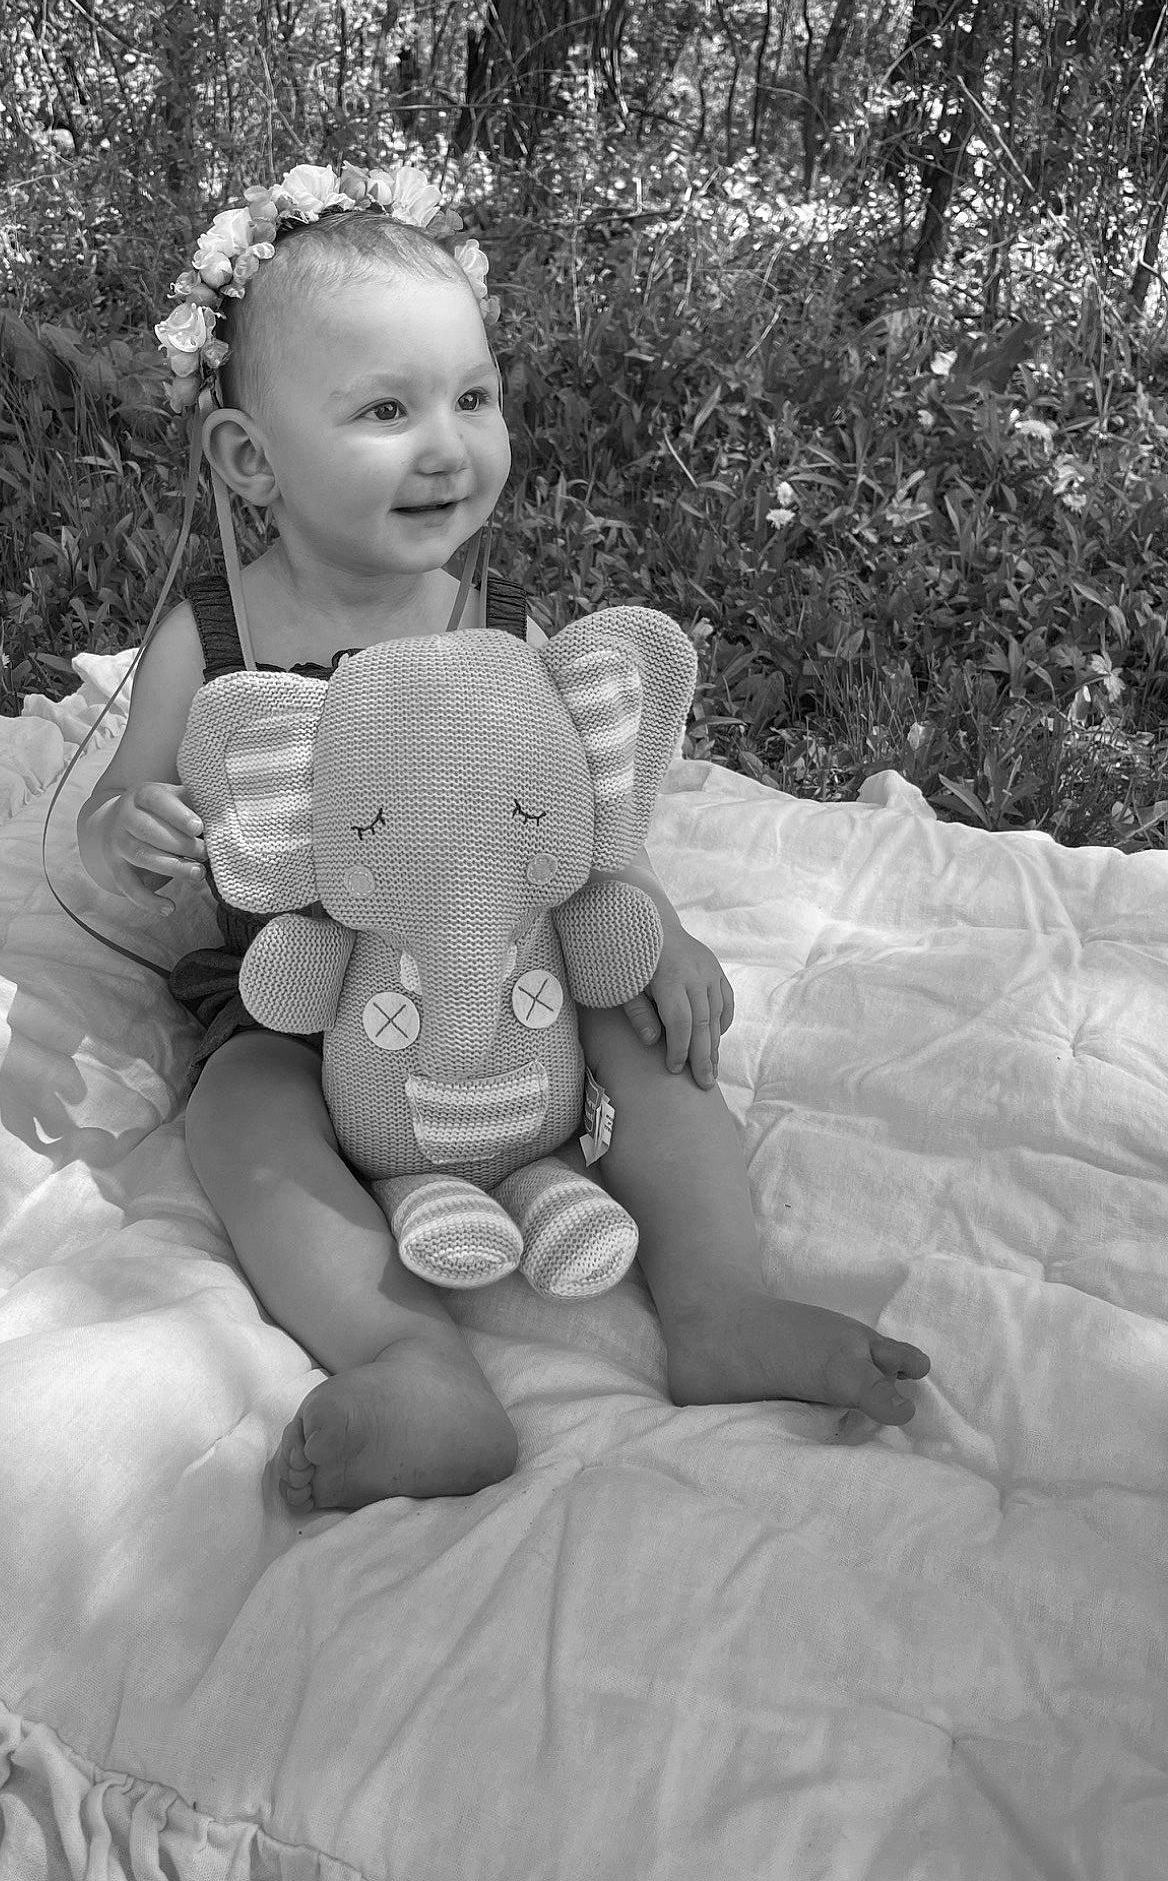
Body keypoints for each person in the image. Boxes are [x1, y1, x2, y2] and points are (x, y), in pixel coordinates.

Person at [78, 163, 930, 1514]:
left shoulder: (491, 621)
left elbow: (578, 818)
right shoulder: (213, 634)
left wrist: (656, 924)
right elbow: (109, 812)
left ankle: (716, 1304)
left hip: (514, 986)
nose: (448, 443)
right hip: (303, 1000)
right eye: (385, 409)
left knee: (648, 1034)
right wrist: (144, 825)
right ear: (250, 457)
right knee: (238, 1117)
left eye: (474, 396)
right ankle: (407, 1358)